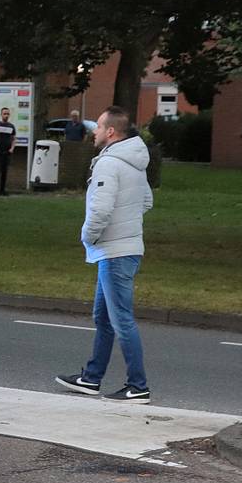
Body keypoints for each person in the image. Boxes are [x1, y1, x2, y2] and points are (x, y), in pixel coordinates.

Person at [56, 106, 154, 404]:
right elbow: (146, 201)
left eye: (98, 126)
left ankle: (138, 386)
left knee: (120, 319)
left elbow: (100, 209)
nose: (94, 131)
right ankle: (91, 377)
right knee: (104, 316)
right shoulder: (135, 162)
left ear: (111, 131)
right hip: (124, 248)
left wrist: (88, 236)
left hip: (113, 252)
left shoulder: (109, 163)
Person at [0, 108, 17, 196]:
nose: (6, 115)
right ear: (1, 114)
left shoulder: (11, 126)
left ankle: (2, 190)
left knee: (5, 172)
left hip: (7, 153)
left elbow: (14, 139)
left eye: (8, 114)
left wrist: (12, 149)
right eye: (4, 113)